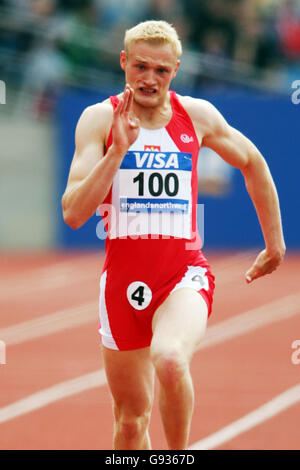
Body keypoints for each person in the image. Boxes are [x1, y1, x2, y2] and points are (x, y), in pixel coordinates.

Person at [61, 20, 286, 450]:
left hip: (182, 276)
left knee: (169, 358)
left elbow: (253, 162)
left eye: (161, 71)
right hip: (122, 284)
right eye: (141, 66)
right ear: (124, 62)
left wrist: (274, 243)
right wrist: (117, 152)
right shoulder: (100, 120)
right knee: (130, 424)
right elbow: (73, 213)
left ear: (176, 70)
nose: (149, 79)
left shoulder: (195, 116)